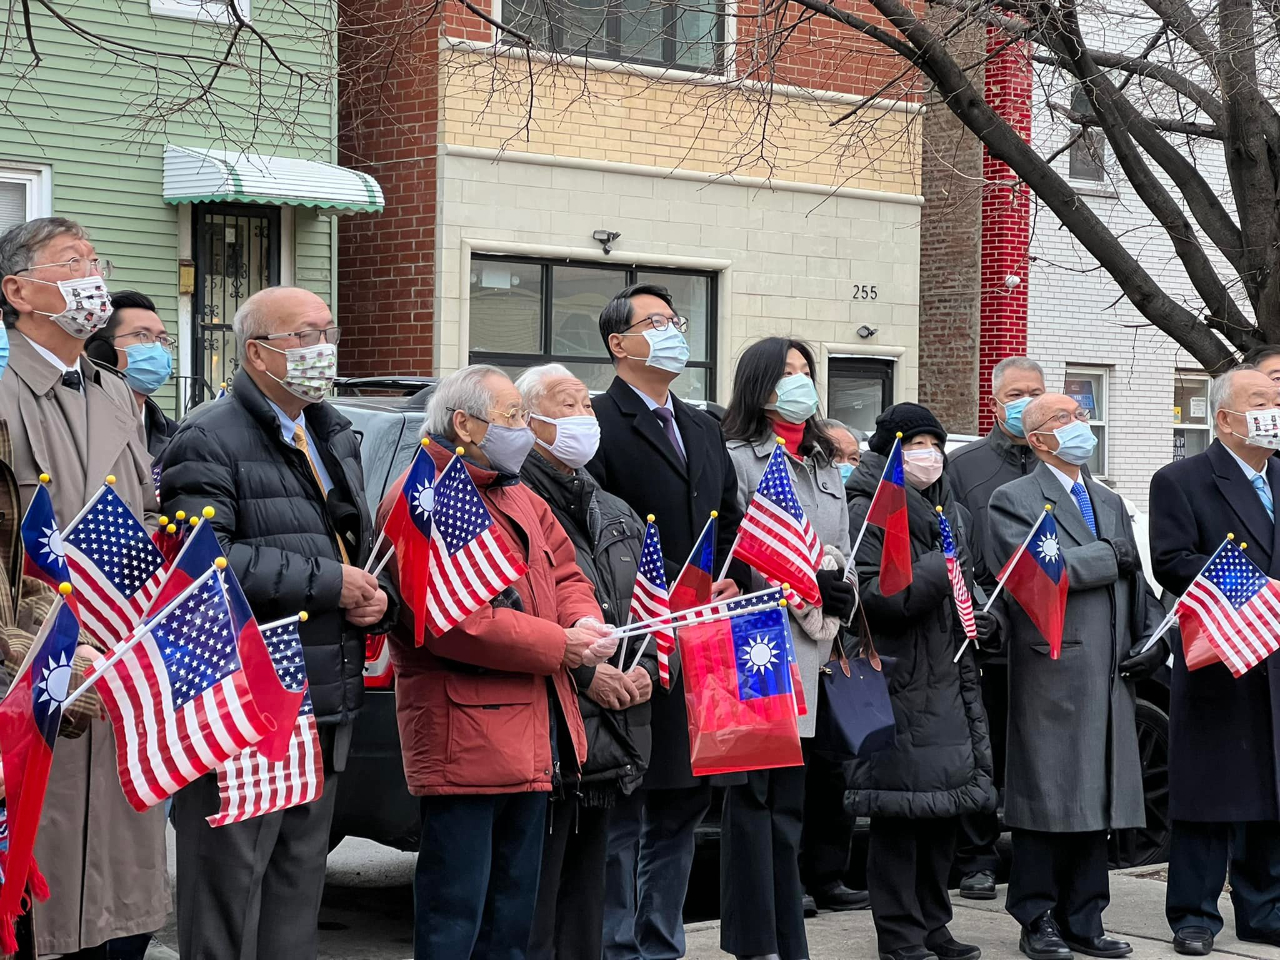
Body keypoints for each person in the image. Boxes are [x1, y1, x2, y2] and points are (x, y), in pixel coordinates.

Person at [161, 286, 396, 960]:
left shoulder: (331, 432)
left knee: (297, 885)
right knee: (230, 889)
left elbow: (351, 544)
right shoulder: (208, 434)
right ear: (258, 352)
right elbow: (203, 561)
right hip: (246, 699)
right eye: (303, 336)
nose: (322, 348)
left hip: (324, 697)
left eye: (327, 331)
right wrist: (330, 583)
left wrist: (377, 596)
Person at [376, 364, 618, 960]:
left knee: (512, 915)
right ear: (465, 423)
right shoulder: (425, 496)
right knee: (456, 914)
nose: (523, 429)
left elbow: (565, 571)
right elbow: (455, 622)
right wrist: (561, 645)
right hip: (464, 734)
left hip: (531, 733)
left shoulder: (518, 491)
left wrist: (582, 619)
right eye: (512, 417)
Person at [0, 217, 168, 959]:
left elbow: (147, 520)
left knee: (118, 921)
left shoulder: (113, 394)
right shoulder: (3, 391)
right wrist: (43, 654)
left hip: (116, 686)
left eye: (95, 261)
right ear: (18, 290)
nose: (90, 277)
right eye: (71, 263)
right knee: (40, 913)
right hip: (32, 686)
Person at [588, 283, 744, 960]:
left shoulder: (705, 425)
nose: (675, 331)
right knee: (624, 811)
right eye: (656, 322)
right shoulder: (596, 422)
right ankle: (617, 946)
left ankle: (662, 944)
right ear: (620, 343)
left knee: (685, 805)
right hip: (634, 642)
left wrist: (742, 578)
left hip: (707, 640)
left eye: (676, 320)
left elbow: (733, 524)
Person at [988, 393, 1166, 960]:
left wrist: (1151, 637)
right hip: (1055, 667)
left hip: (1112, 670)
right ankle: (1037, 916)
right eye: (1063, 419)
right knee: (1049, 797)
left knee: (1100, 798)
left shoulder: (1108, 499)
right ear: (1037, 439)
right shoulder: (1013, 499)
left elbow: (1134, 574)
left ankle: (1086, 916)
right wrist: (1107, 557)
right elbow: (1034, 573)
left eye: (1081, 415)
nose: (1078, 426)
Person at [716, 337, 857, 959]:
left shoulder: (826, 463)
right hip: (758, 648)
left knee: (793, 804)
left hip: (818, 652)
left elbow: (843, 549)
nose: (801, 383)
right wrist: (802, 583)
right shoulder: (736, 458)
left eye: (807, 372)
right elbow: (735, 556)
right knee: (753, 801)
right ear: (759, 385)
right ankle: (755, 941)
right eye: (787, 373)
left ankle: (787, 937)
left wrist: (840, 590)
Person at [514, 363, 658, 960]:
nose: (583, 418)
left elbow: (645, 601)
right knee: (536, 905)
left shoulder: (614, 509)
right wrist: (586, 673)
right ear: (528, 421)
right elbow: (515, 610)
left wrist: (647, 665)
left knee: (587, 903)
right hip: (545, 730)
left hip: (611, 735)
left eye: (586, 406)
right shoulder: (511, 502)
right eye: (566, 405)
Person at [845, 402, 997, 960]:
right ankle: (901, 937)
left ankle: (936, 926)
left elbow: (970, 586)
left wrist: (986, 616)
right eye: (914, 444)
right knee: (900, 819)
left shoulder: (950, 512)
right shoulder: (868, 508)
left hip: (949, 682)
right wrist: (939, 567)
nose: (928, 455)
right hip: (897, 685)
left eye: (934, 444)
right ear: (888, 452)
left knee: (941, 816)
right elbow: (879, 596)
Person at [1149, 364, 1280, 956]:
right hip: (1222, 652)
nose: (1272, 410)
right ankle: (1194, 915)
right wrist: (1257, 591)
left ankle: (1265, 907)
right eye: (1260, 401)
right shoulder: (1183, 479)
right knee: (1209, 791)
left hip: (1276, 658)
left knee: (1268, 787)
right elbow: (1172, 559)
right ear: (1225, 416)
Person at [945, 356, 1045, 900]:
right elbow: (955, 551)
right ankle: (977, 857)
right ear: (994, 398)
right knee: (982, 750)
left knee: (1035, 752)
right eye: (1016, 393)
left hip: (1049, 635)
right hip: (986, 635)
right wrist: (978, 613)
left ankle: (1033, 848)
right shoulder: (964, 467)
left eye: (1035, 391)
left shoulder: (1059, 462)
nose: (1025, 401)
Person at [85, 290, 179, 458]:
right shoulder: (78, 428)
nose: (157, 348)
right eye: (142, 335)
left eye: (163, 339)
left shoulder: (174, 437)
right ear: (101, 351)